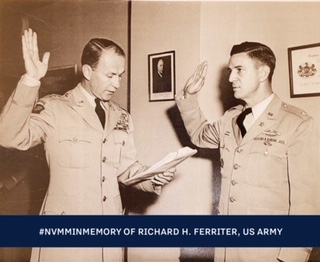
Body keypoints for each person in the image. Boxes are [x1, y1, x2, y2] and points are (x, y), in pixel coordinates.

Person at [0, 28, 174, 262]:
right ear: (88, 71)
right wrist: (31, 80)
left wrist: (152, 176)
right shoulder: (54, 108)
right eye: (110, 75)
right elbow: (8, 136)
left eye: (120, 75)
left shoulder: (122, 117)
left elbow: (125, 168)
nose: (117, 83)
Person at [176, 42, 320, 262]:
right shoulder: (230, 118)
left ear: (263, 72)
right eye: (230, 71)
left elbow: (307, 202)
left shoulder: (296, 124)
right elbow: (199, 135)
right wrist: (189, 97)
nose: (231, 78)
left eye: (239, 70)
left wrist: (293, 256)